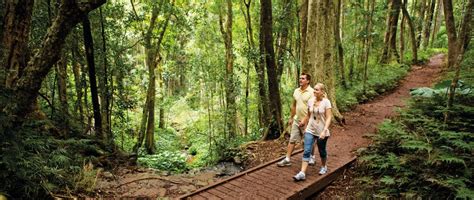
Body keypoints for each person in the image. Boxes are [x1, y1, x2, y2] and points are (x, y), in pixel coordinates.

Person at [293, 83, 333, 181]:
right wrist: (303, 122)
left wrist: (325, 130)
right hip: (310, 129)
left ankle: (324, 166)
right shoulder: (310, 101)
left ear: (322, 92)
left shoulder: (326, 102)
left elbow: (329, 117)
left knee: (321, 150)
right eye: (314, 89)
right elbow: (308, 115)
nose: (314, 91)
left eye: (317, 90)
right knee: (307, 150)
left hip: (322, 131)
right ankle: (302, 173)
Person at [277, 73, 315, 167]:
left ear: (308, 81)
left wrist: (305, 120)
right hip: (296, 119)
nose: (300, 80)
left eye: (303, 78)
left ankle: (312, 157)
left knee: (308, 140)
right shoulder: (296, 91)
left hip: (308, 121)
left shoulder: (312, 92)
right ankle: (287, 159)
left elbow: (312, 109)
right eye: (300, 78)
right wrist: (291, 117)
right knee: (292, 139)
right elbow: (294, 105)